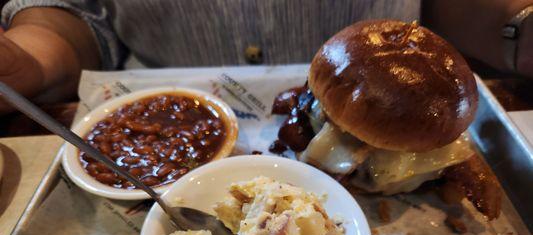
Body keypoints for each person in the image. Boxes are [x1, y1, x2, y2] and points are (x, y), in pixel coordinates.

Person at [0, 0, 532, 115]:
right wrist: (33, 59)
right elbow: (75, 11)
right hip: (159, 107)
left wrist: (521, 29)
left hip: (404, 99)